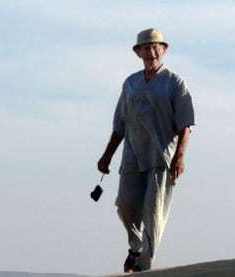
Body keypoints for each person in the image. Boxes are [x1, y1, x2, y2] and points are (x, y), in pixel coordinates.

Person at [97, 28, 195, 272]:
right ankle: (135, 245)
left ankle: (144, 266)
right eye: (146, 48)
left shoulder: (175, 82)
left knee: (153, 214)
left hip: (161, 158)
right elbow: (120, 123)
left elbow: (186, 125)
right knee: (125, 205)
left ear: (163, 49)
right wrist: (107, 154)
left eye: (156, 47)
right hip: (132, 155)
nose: (151, 52)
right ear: (138, 52)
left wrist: (179, 157)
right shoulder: (131, 83)